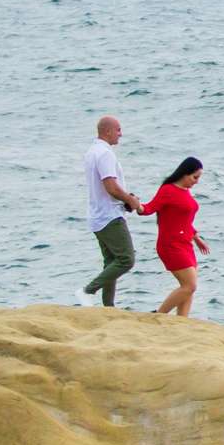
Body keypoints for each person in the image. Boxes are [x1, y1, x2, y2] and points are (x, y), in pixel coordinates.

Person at [80, 116, 142, 306]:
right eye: (118, 130)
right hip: (109, 216)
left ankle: (108, 306)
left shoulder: (92, 151)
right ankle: (88, 290)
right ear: (107, 131)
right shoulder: (105, 154)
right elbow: (111, 187)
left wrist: (125, 199)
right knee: (126, 259)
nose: (120, 134)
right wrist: (130, 199)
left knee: (111, 262)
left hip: (97, 215)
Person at [140, 157, 212, 317]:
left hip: (186, 244)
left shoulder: (185, 191)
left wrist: (197, 238)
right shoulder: (168, 190)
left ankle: (182, 321)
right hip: (171, 245)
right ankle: (158, 315)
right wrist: (135, 205)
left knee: (188, 288)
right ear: (184, 174)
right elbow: (149, 208)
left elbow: (183, 221)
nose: (196, 181)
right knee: (189, 286)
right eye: (195, 177)